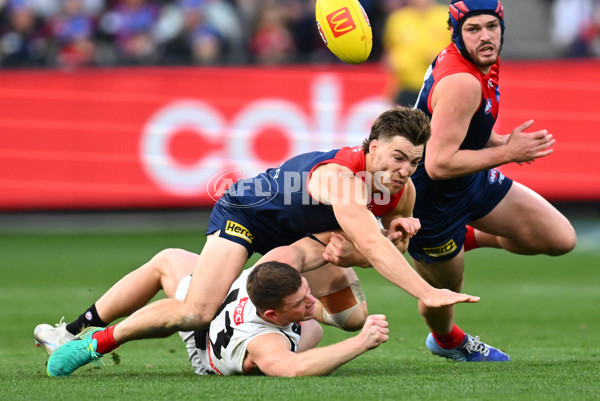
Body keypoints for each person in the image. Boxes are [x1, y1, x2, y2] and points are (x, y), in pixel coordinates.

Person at [42, 106, 480, 376]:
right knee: (196, 311)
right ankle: (87, 340)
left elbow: (376, 248)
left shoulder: (403, 192)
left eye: (414, 162)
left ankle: (283, 312)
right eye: (398, 157)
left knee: (351, 318)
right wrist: (424, 289)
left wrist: (393, 236)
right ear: (371, 147)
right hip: (247, 217)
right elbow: (372, 246)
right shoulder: (341, 180)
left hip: (299, 237)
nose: (405, 170)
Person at [402, 0, 576, 361]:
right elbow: (438, 163)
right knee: (444, 294)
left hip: (470, 182)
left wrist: (496, 142)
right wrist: (508, 153)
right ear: (456, 33)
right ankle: (448, 341)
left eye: (492, 26)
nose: (485, 36)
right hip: (432, 203)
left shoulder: (484, 60)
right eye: (474, 29)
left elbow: (460, 127)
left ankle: (470, 236)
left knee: (560, 238)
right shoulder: (461, 81)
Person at [40, 242, 389, 377]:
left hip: (229, 301)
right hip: (206, 346)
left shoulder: (271, 268)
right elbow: (292, 369)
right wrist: (360, 341)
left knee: (169, 259)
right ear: (271, 315)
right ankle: (87, 340)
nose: (310, 300)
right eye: (300, 303)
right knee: (312, 330)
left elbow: (304, 249)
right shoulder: (264, 341)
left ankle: (71, 331)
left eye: (306, 293)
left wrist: (350, 251)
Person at [382, 0, 449, 106]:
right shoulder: (397, 19)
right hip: (405, 88)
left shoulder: (447, 16)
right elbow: (388, 52)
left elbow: (460, 53)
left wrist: (440, 59)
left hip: (438, 89)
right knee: (403, 125)